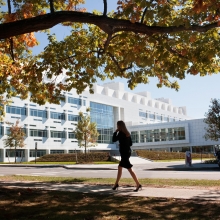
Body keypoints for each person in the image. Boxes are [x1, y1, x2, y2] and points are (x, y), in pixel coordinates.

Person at [112, 120, 142, 192]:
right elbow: (130, 144)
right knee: (120, 167)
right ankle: (116, 184)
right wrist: (122, 144)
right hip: (127, 152)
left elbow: (113, 139)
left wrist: (116, 131)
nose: (117, 127)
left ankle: (138, 184)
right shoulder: (127, 133)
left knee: (129, 169)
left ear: (119, 126)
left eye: (117, 125)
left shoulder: (120, 133)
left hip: (124, 153)